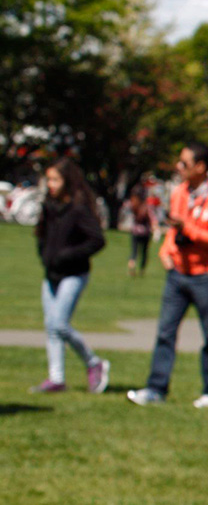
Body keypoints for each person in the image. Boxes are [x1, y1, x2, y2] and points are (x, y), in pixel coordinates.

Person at [128, 142, 208, 408]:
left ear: (200, 167)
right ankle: (156, 388)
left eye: (184, 163)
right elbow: (174, 230)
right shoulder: (180, 193)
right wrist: (166, 249)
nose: (178, 167)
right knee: (165, 332)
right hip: (177, 275)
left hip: (207, 277)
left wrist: (190, 228)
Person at [31, 158, 109, 394]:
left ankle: (94, 362)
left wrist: (68, 255)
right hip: (51, 274)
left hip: (74, 274)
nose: (51, 184)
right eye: (49, 180)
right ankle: (57, 378)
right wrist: (45, 255)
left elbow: (97, 240)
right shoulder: (49, 207)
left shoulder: (78, 209)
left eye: (55, 179)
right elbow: (42, 235)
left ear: (67, 181)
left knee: (59, 324)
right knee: (51, 326)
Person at [123, 180, 156, 276]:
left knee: (134, 252)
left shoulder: (133, 205)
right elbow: (152, 218)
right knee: (144, 252)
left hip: (135, 231)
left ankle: (132, 267)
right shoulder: (146, 207)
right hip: (145, 232)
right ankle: (142, 270)